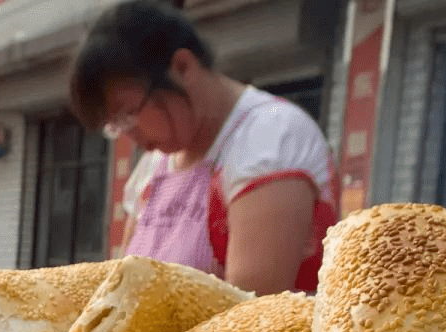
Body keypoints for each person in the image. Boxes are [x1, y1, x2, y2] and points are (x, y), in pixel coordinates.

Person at [69, 0, 339, 295]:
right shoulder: (155, 164)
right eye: (114, 125)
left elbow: (249, 317)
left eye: (127, 114)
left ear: (183, 68)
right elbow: (122, 288)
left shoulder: (271, 138)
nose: (127, 135)